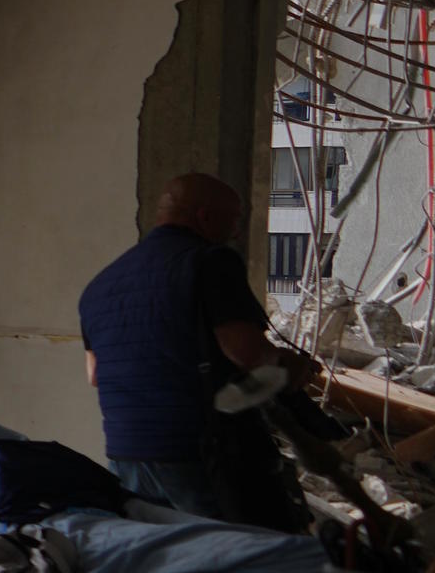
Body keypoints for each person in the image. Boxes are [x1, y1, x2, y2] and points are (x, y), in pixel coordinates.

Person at [78, 173, 307, 527]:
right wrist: (296, 368)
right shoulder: (210, 261)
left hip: (127, 456)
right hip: (196, 455)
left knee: (170, 555)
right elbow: (250, 356)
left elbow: (95, 375)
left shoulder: (100, 286)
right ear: (205, 216)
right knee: (253, 552)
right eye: (234, 220)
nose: (237, 233)